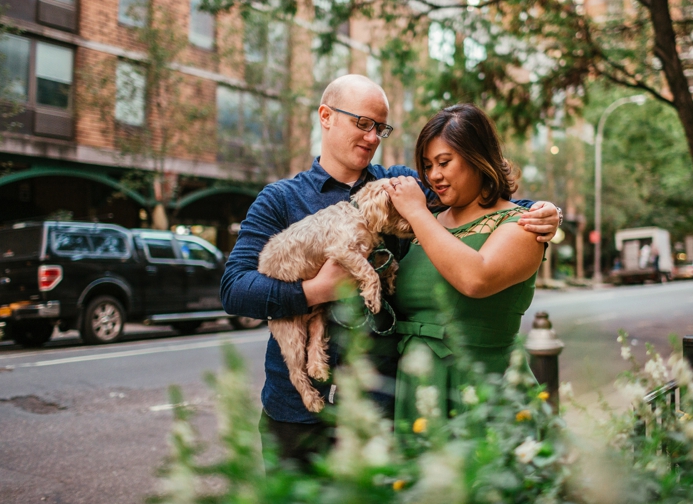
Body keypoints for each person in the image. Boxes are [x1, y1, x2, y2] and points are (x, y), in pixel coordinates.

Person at [220, 75, 561, 465]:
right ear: (326, 116)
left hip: (382, 408)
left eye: (379, 128)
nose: (372, 137)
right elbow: (235, 289)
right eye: (361, 123)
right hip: (297, 412)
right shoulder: (280, 199)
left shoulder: (396, 187)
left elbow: (471, 198)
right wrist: (316, 290)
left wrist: (543, 211)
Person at [384, 103, 546, 425]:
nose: (433, 176)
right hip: (419, 392)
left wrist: (416, 213)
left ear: (477, 157)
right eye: (428, 165)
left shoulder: (522, 225)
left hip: (482, 390)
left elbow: (476, 278)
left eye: (444, 162)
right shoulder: (427, 224)